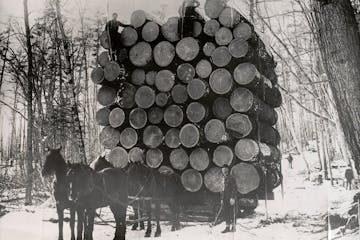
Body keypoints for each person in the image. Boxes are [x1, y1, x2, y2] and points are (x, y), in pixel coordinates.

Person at [220, 164, 237, 233]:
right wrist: (221, 199)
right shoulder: (223, 178)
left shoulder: (231, 178)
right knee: (226, 212)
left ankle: (233, 227)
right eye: (223, 169)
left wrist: (232, 198)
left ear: (228, 170)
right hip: (225, 198)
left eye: (225, 169)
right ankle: (227, 227)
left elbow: (234, 188)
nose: (224, 171)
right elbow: (221, 190)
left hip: (231, 198)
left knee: (232, 212)